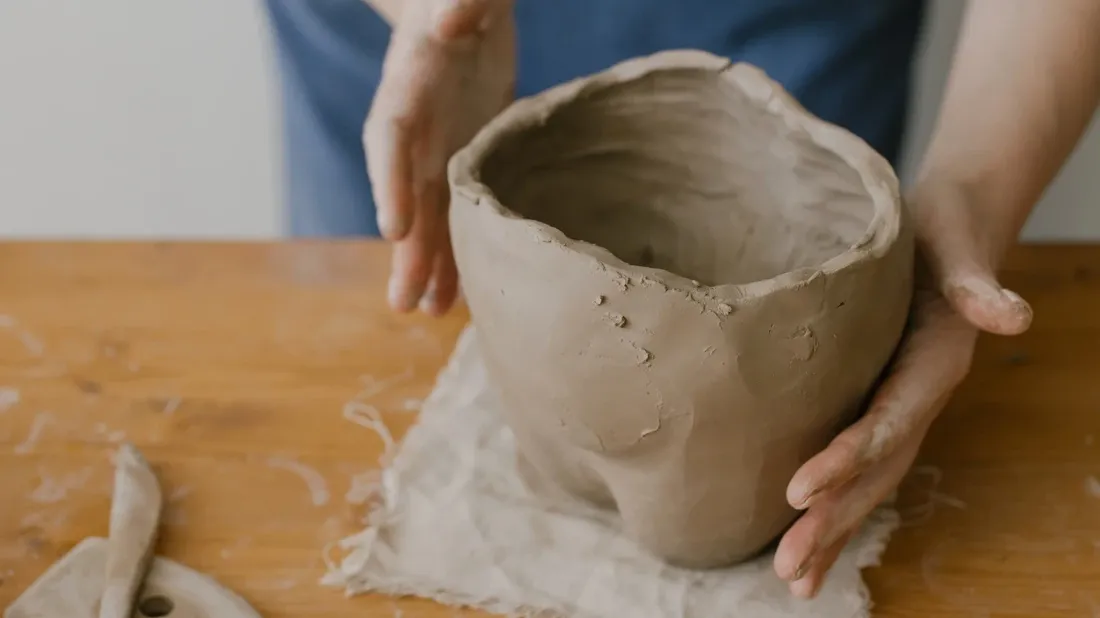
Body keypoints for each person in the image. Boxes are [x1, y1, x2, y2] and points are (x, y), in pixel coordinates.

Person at [262, 0, 1100, 599]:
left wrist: (973, 195)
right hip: (432, 55)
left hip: (790, 70)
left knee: (721, 521)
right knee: (388, 317)